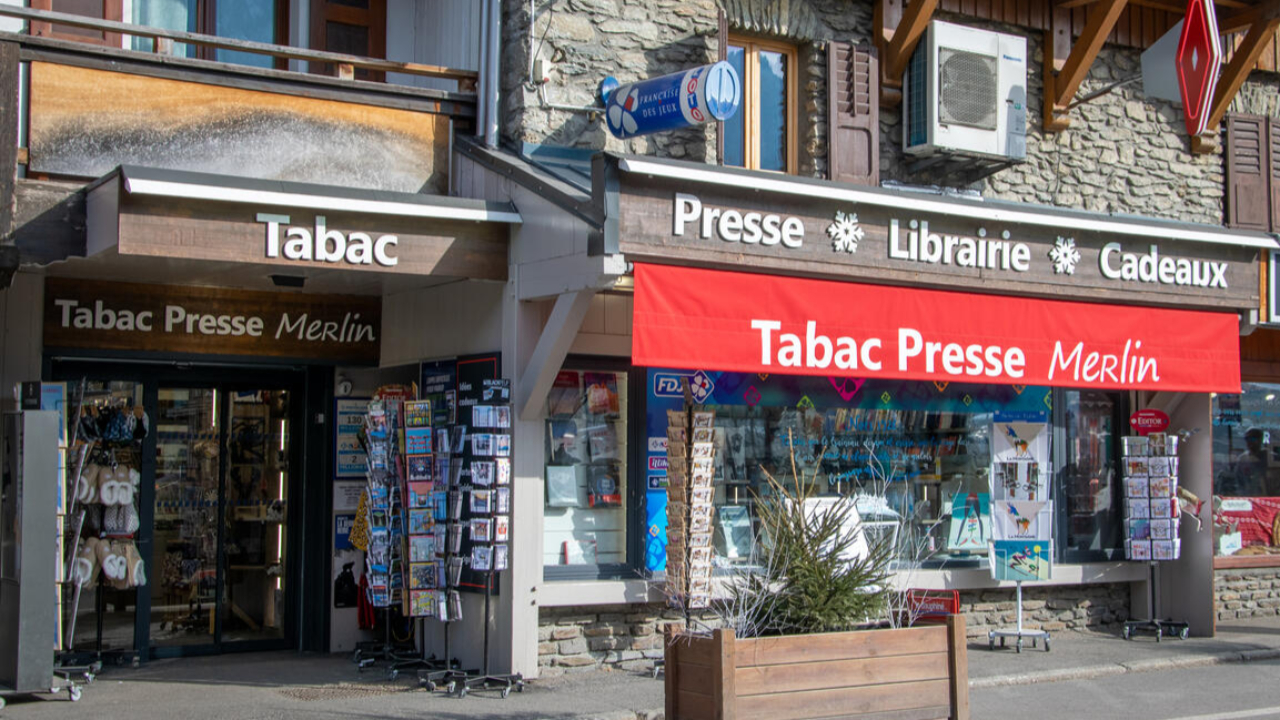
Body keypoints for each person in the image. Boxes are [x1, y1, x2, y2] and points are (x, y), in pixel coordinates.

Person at [1228, 428, 1268, 496]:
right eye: (1247, 439)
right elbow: (1238, 482)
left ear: (1260, 439)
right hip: (1248, 498)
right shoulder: (1242, 459)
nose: (1249, 442)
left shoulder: (1269, 457)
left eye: (1252, 439)